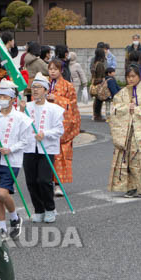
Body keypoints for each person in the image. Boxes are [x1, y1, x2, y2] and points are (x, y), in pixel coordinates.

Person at [0, 80, 33, 234]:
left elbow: (25, 141)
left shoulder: (21, 118)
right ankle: (3, 228)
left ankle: (14, 218)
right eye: (0, 96)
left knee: (2, 193)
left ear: (13, 99)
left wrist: (10, 149)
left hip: (11, 161)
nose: (2, 99)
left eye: (6, 96)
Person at [108, 64, 141, 198]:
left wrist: (137, 110)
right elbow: (114, 110)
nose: (130, 79)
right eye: (128, 77)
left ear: (139, 76)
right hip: (127, 132)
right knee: (127, 159)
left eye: (133, 76)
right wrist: (127, 108)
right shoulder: (121, 93)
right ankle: (130, 187)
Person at [22, 73, 64, 223]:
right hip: (29, 148)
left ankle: (50, 208)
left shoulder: (55, 109)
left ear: (46, 90)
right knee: (31, 181)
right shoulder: (25, 108)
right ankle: (38, 210)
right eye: (33, 87)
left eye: (38, 87)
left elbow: (59, 130)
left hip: (46, 148)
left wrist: (44, 134)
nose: (35, 90)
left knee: (44, 180)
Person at [46, 59, 80, 193]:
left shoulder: (68, 86)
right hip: (46, 123)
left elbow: (72, 105)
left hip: (62, 123)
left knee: (59, 155)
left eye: (55, 69)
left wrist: (57, 99)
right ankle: (47, 181)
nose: (52, 71)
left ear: (61, 71)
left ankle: (57, 184)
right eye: (50, 69)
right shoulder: (44, 84)